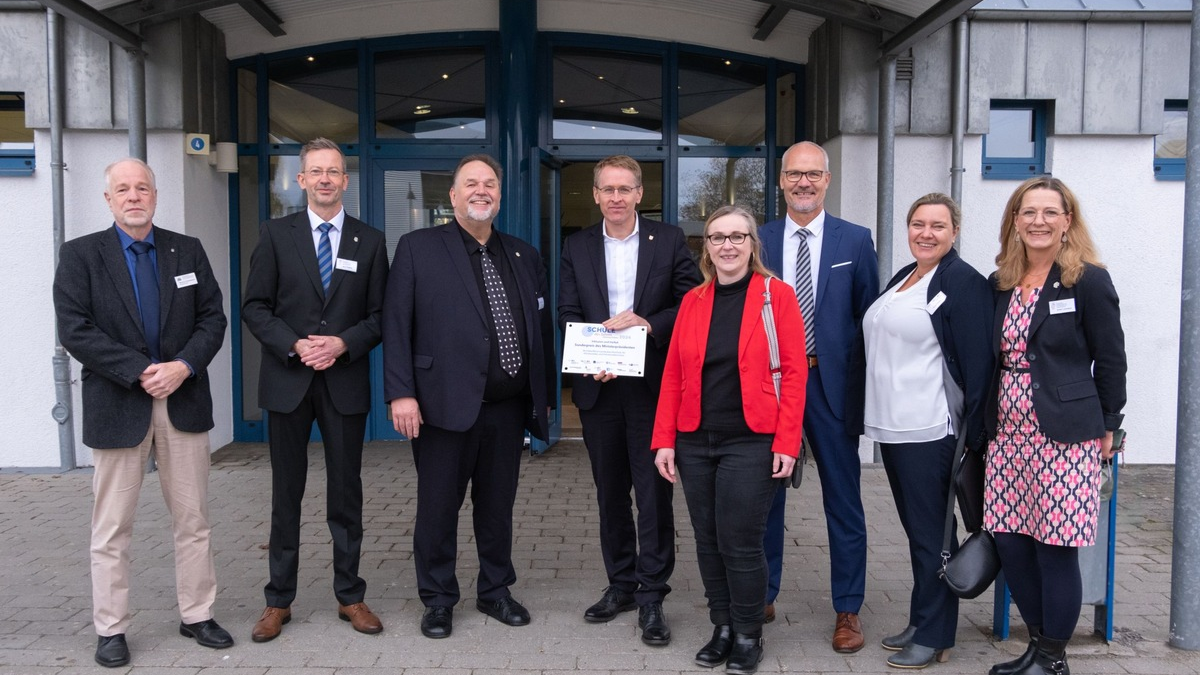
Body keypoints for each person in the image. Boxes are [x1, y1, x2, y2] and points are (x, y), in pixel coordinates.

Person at [53, 158, 232, 667]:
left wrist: (183, 366)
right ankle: (111, 628)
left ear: (155, 195)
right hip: (119, 404)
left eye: (143, 188)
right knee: (112, 526)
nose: (134, 196)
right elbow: (75, 329)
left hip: (183, 402)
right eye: (123, 190)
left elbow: (212, 318)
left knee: (193, 520)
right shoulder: (81, 255)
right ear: (108, 199)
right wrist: (139, 370)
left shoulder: (186, 250)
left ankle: (197, 614)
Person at [383, 153, 556, 640]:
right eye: (471, 184)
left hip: (506, 408)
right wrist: (401, 394)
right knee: (438, 507)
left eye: (491, 184)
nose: (482, 190)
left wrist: (541, 396)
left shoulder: (523, 253)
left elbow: (538, 330)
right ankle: (438, 599)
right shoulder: (418, 247)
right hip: (440, 406)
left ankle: (495, 590)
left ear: (500, 195)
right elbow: (397, 324)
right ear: (454, 195)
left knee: (497, 507)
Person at [241, 138, 389, 642]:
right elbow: (255, 307)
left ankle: (350, 595)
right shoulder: (275, 234)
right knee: (287, 494)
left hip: (343, 383)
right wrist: (297, 345)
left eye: (334, 171)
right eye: (315, 172)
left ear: (346, 181)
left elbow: (380, 316)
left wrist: (342, 343)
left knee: (346, 495)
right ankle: (277, 601)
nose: (325, 179)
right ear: (301, 180)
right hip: (288, 382)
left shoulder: (369, 241)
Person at [652, 205, 806, 675]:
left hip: (752, 439)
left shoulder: (775, 295)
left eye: (737, 236)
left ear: (752, 244)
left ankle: (747, 632)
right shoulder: (694, 301)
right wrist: (665, 439)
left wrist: (787, 441)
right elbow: (674, 374)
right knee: (707, 539)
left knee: (740, 540)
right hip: (696, 438)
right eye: (717, 237)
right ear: (707, 247)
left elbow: (796, 374)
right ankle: (721, 626)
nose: (727, 245)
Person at [983, 177, 1126, 675]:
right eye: (1028, 212)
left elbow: (1111, 360)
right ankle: (1038, 646)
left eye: (1049, 212)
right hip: (1006, 434)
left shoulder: (1087, 279)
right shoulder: (1001, 281)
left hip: (1064, 433)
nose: (1038, 221)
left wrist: (1112, 425)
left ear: (1068, 220)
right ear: (1014, 221)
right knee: (1011, 541)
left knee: (1055, 545)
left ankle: (1052, 657)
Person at [558, 155, 701, 645]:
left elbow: (689, 302)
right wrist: (586, 352)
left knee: (654, 495)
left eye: (625, 188)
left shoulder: (671, 240)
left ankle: (652, 596)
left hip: (652, 389)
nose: (616, 197)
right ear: (595, 195)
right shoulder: (575, 245)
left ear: (640, 193)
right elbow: (567, 309)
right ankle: (620, 584)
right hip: (599, 387)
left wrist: (647, 324)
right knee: (610, 494)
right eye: (607, 189)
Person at [861, 194, 993, 669]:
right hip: (893, 428)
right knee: (918, 533)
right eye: (918, 224)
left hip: (929, 428)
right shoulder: (907, 276)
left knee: (932, 535)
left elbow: (979, 368)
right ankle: (922, 619)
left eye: (938, 225)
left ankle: (936, 635)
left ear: (955, 231)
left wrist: (973, 438)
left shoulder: (963, 283)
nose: (926, 233)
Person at [758, 141, 878, 651]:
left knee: (843, 500)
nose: (803, 183)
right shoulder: (757, 239)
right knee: (764, 498)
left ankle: (847, 609)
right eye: (794, 175)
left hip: (830, 390)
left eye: (813, 174)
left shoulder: (855, 241)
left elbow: (868, 319)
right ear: (780, 181)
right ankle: (760, 592)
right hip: (771, 386)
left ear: (827, 180)